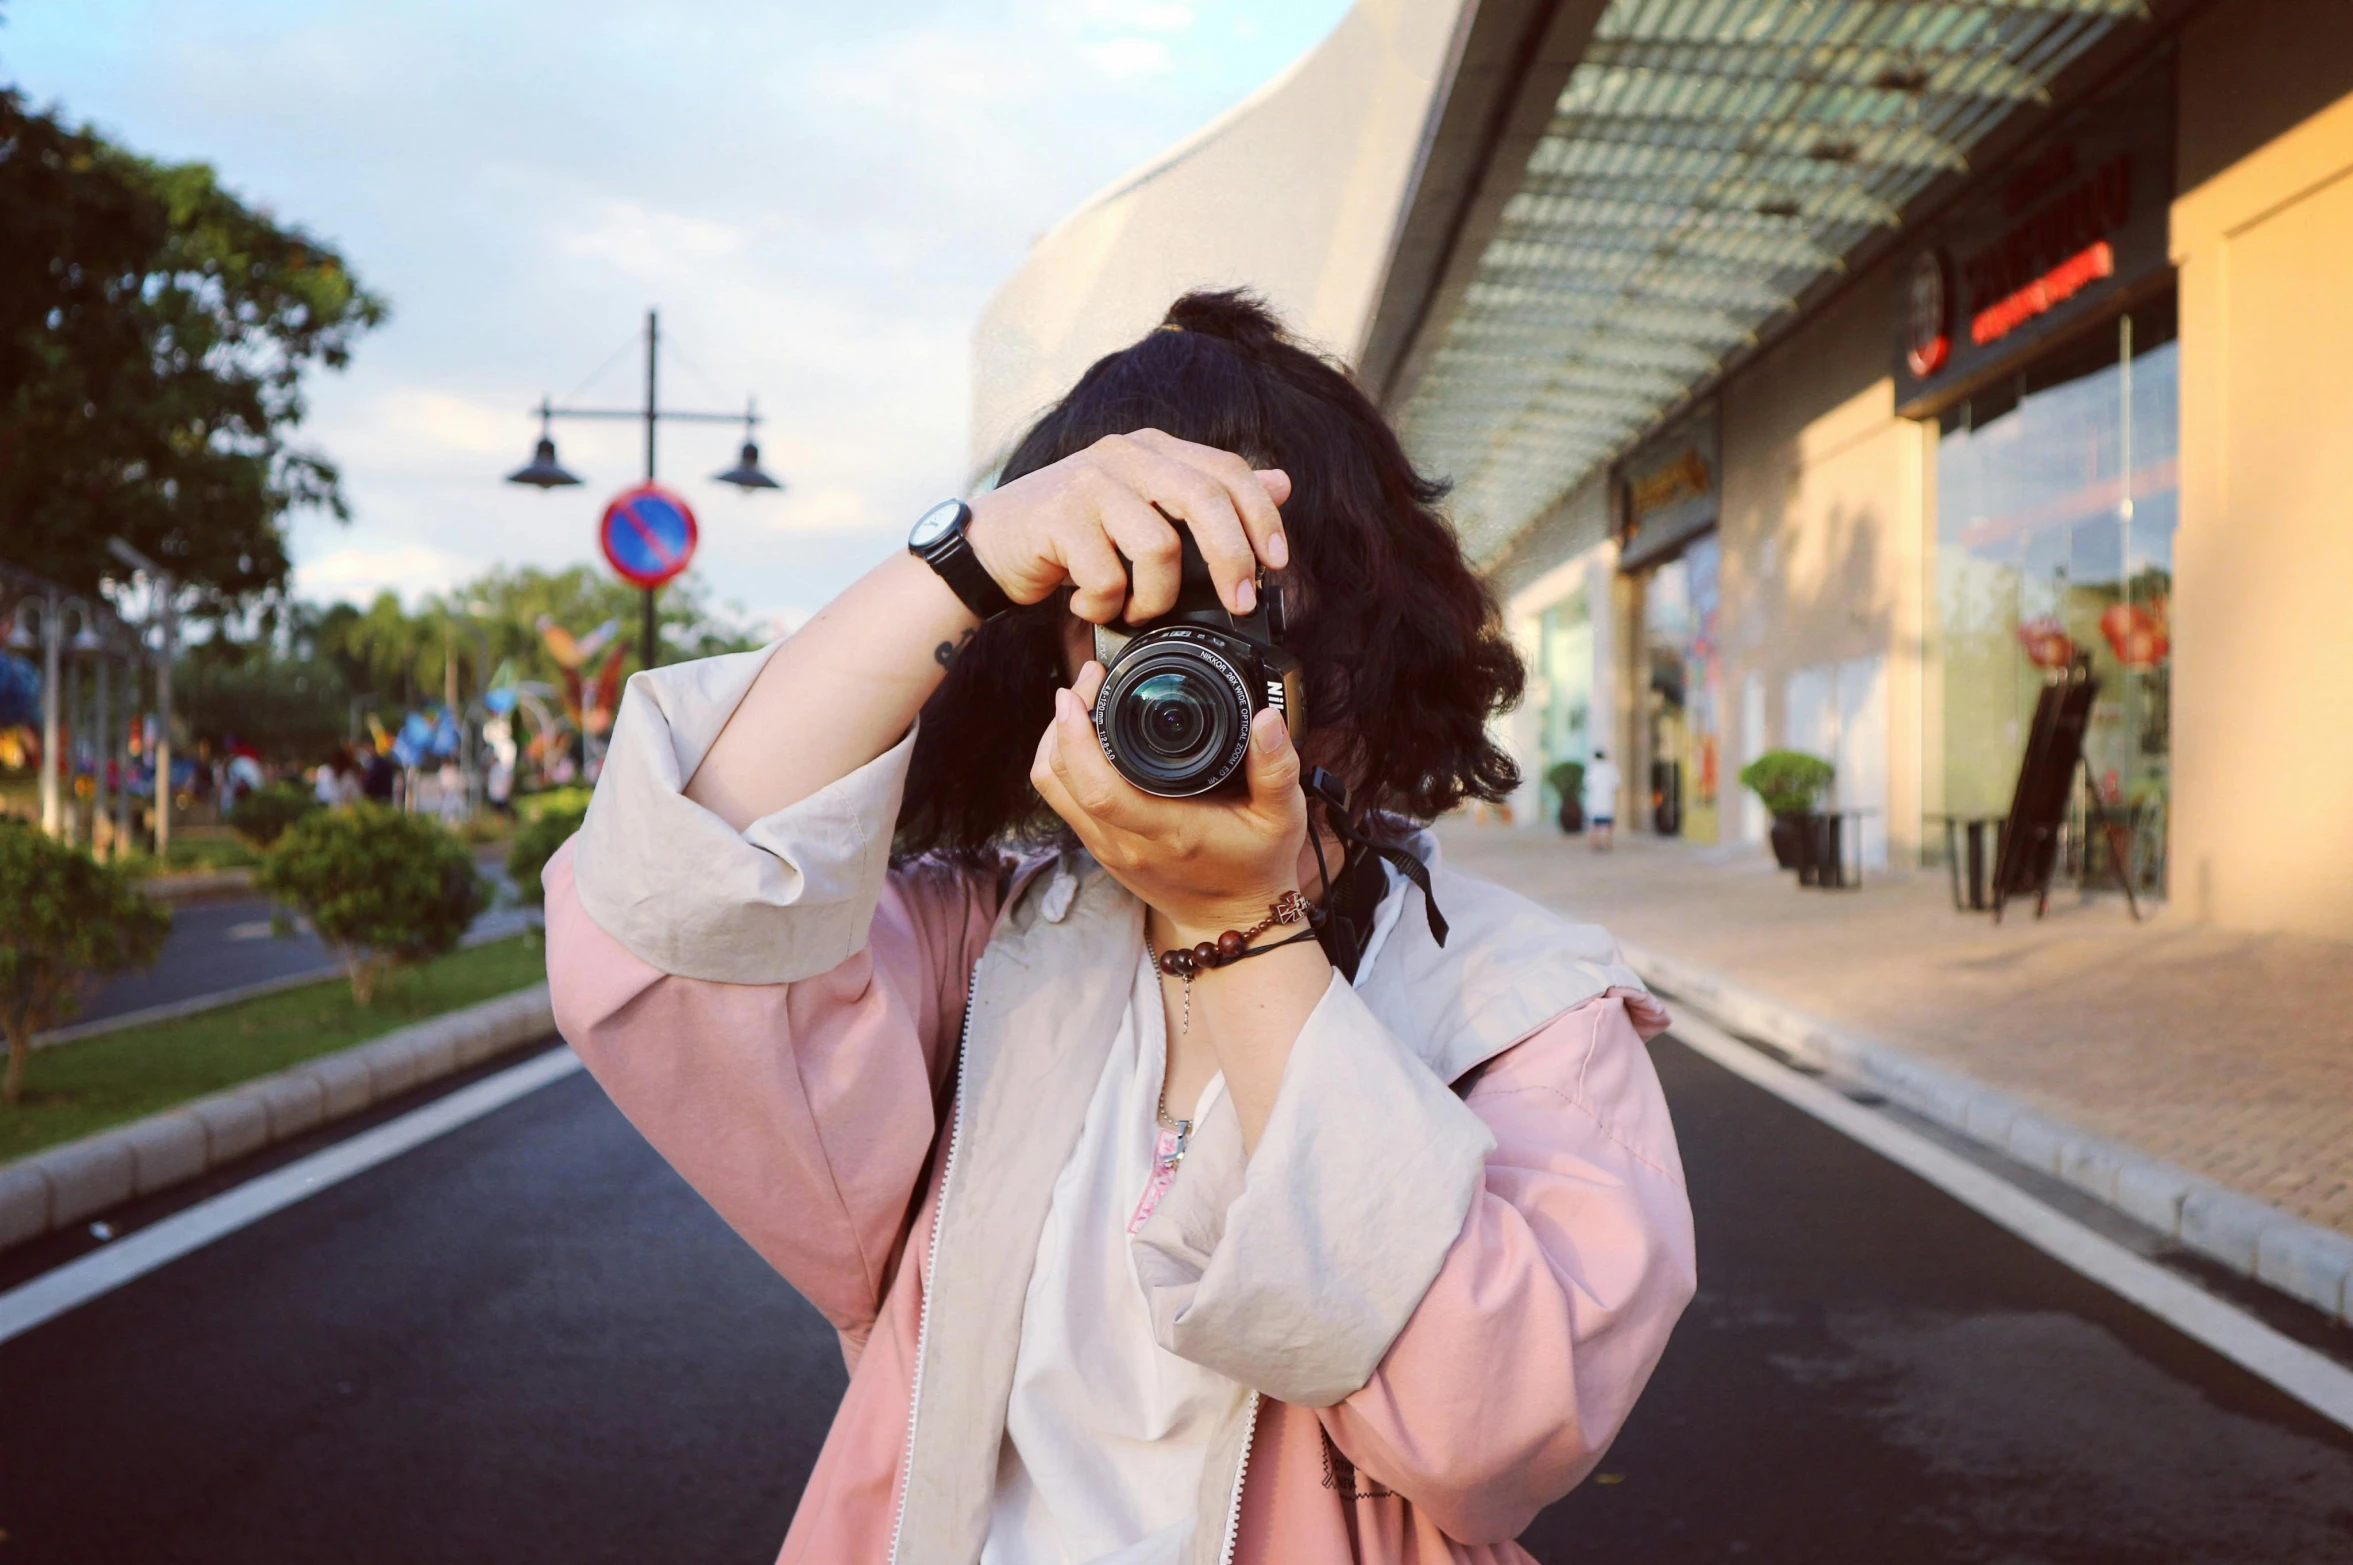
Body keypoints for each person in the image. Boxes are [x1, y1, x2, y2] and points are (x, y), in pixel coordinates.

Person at [544, 291, 1694, 1564]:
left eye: (1247, 612)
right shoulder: (974, 951)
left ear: (1363, 647)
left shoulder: (1524, 1003)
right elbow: (669, 904)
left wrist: (1246, 930)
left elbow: (1496, 1430)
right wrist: (972, 553)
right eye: (1124, 615)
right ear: (1044, 657)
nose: (1179, 669)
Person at [1583, 747, 1621, 852]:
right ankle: (1608, 843)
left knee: (1594, 824)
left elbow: (1587, 784)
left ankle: (1594, 843)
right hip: (1607, 799)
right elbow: (1617, 784)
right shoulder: (1611, 768)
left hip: (1595, 800)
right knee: (1608, 824)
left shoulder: (1592, 768)